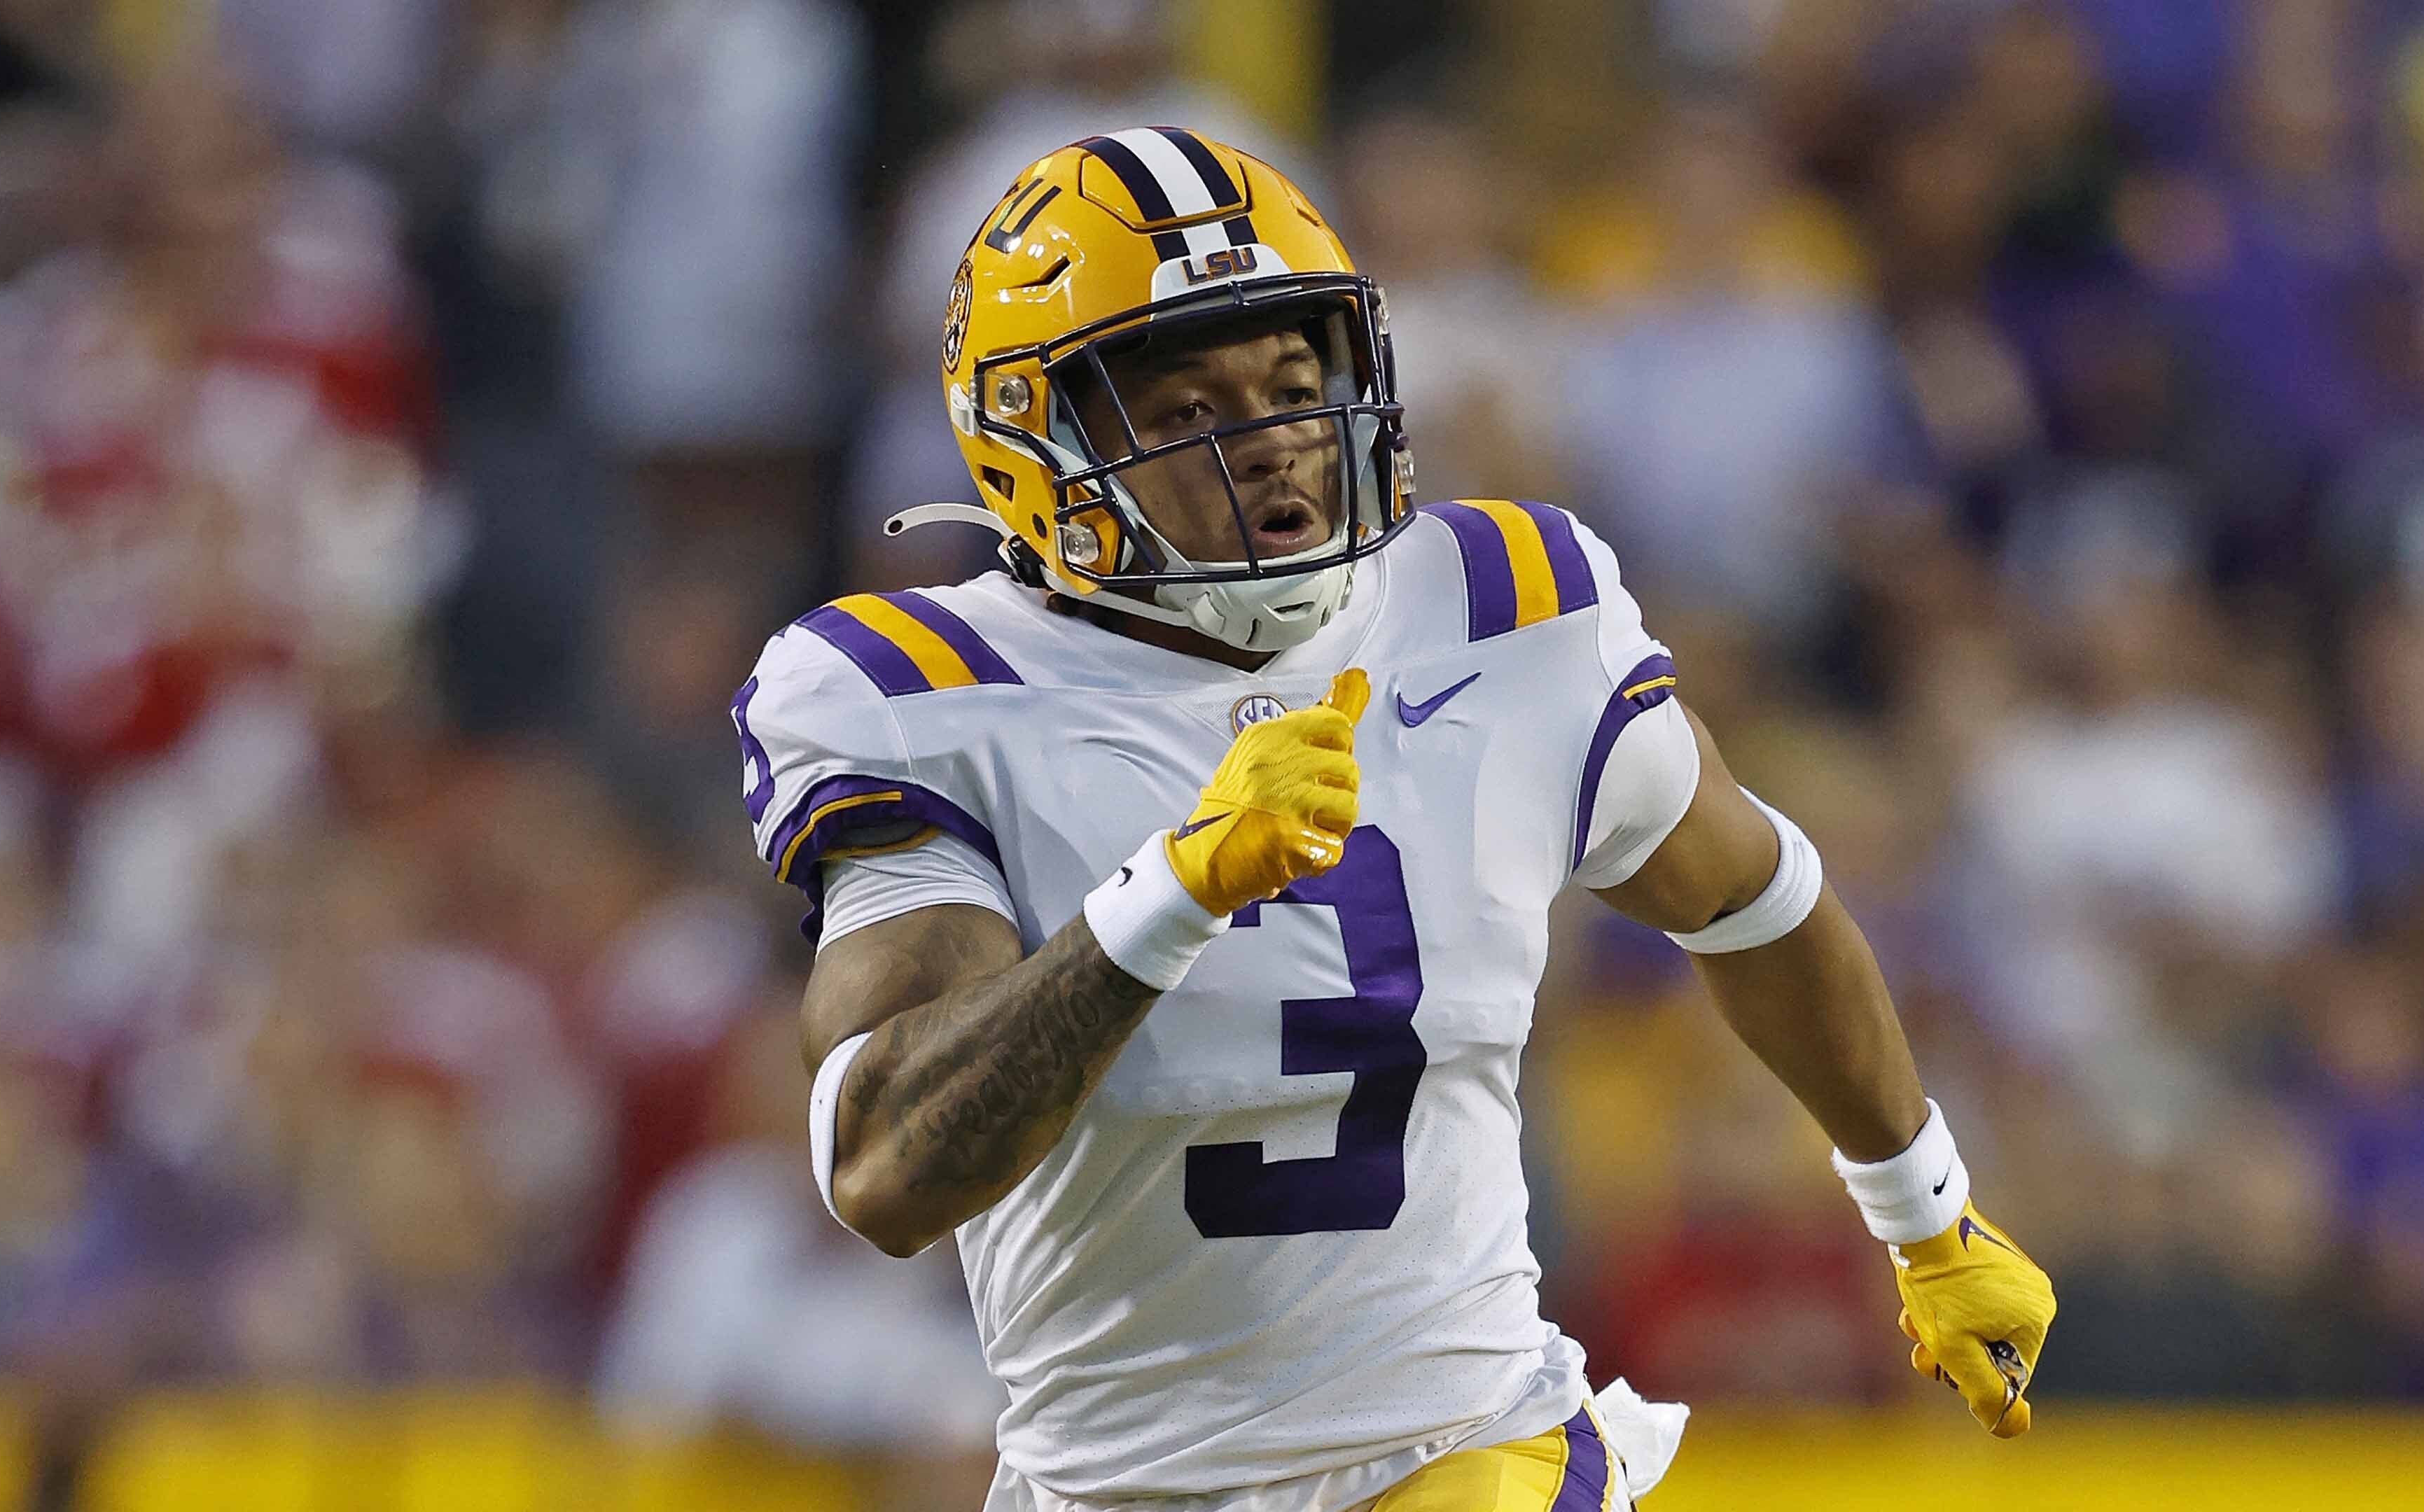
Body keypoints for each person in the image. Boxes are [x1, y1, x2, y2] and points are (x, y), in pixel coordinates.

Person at [731, 127, 2056, 1511]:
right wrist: (1167, 897)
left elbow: (1753, 896)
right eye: (1188, 413)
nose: (1272, 444)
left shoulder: (1501, 604)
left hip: (1462, 1446)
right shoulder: (918, 690)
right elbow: (883, 1169)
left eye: (1295, 386)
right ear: (1036, 444)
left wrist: (1927, 1213)